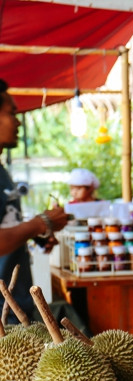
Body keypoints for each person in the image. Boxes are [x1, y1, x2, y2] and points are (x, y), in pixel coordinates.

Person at [0, 79, 69, 322]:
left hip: (15, 306)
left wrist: (35, 234)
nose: (18, 122)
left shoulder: (2, 171)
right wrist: (40, 224)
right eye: (12, 113)